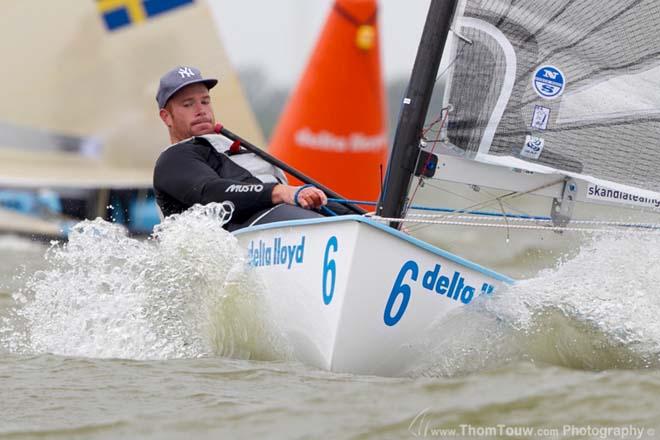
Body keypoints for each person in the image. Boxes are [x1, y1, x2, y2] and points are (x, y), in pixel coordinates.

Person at [152, 66, 335, 230]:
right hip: (245, 233)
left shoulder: (225, 145)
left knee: (352, 216)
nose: (201, 110)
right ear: (166, 117)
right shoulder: (173, 159)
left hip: (279, 220)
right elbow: (211, 192)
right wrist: (279, 192)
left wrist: (359, 217)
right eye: (188, 104)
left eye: (205, 101)